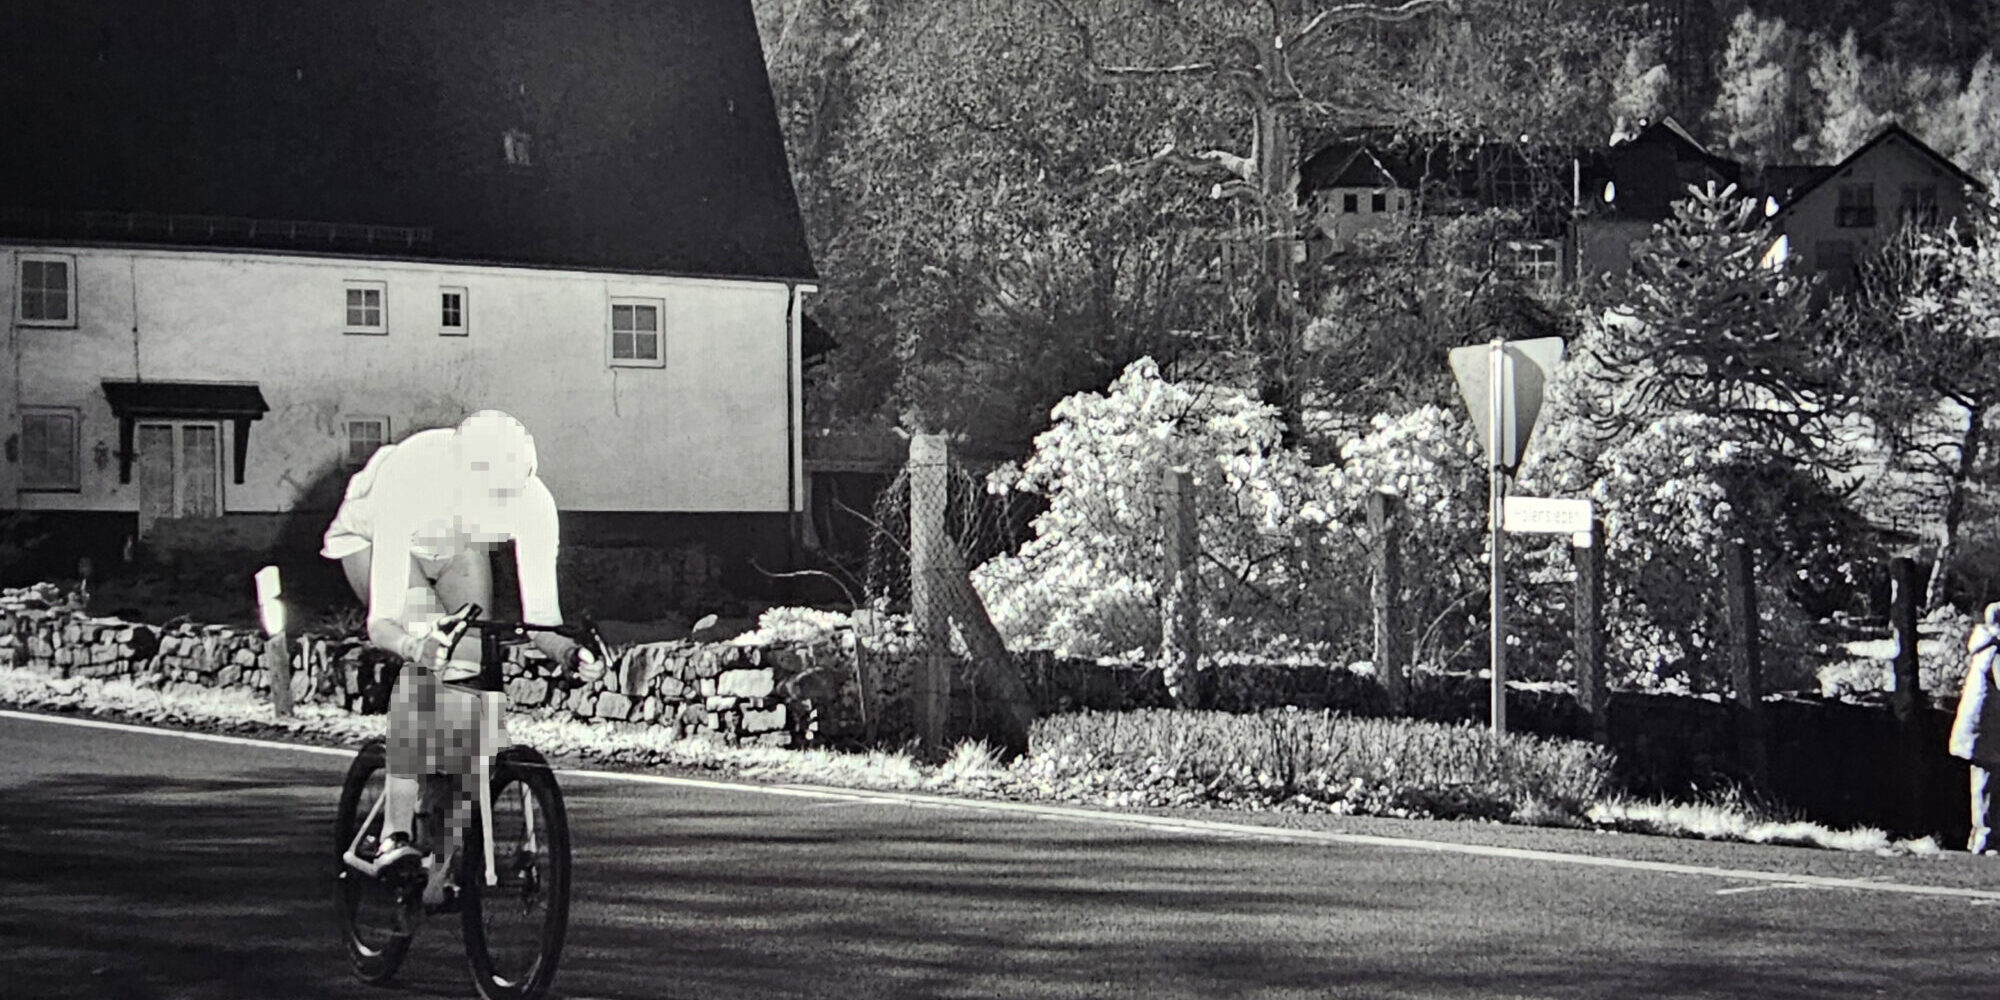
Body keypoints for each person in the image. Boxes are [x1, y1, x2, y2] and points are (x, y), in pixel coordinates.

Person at [321, 409, 602, 899]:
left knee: (470, 669)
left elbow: (542, 620)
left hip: (454, 545)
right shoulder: (412, 482)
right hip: (372, 540)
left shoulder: (533, 501)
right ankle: (394, 833)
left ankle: (442, 852)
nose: (502, 511)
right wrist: (416, 646)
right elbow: (382, 623)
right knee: (428, 666)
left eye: (506, 502)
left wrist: (569, 652)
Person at [1948, 602, 2000, 854]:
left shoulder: (1984, 647)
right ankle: (1985, 839)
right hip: (1988, 729)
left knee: (1983, 784)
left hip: (1980, 728)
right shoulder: (1996, 652)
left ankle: (1980, 837)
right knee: (1988, 785)